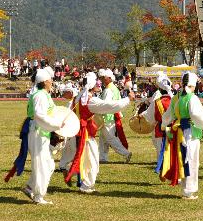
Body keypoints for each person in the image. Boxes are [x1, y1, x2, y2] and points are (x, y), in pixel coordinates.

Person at [64, 72, 134, 194]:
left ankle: (75, 174)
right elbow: (109, 106)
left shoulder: (78, 97)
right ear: (92, 86)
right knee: (93, 161)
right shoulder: (91, 101)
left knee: (86, 158)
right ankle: (85, 185)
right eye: (97, 83)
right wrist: (128, 99)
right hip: (86, 133)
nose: (99, 85)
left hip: (78, 132)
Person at [158, 72, 203, 200]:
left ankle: (185, 188)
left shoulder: (176, 97)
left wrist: (164, 124)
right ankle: (189, 190)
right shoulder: (192, 98)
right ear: (192, 84)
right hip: (190, 132)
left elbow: (168, 115)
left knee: (183, 158)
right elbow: (196, 115)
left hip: (178, 131)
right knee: (191, 160)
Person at [23, 67, 66, 205]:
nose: (52, 82)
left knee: (48, 164)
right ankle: (38, 195)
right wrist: (56, 125)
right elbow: (39, 115)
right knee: (43, 164)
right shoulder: (40, 96)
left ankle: (30, 187)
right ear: (44, 81)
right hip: (38, 132)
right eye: (50, 80)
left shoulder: (44, 94)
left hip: (42, 132)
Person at [97, 69, 132, 163]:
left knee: (110, 138)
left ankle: (126, 153)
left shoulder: (108, 90)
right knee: (103, 139)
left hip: (107, 117)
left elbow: (105, 105)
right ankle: (103, 158)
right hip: (111, 117)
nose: (102, 80)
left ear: (109, 78)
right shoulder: (114, 88)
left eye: (103, 78)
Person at [141, 73, 173, 167]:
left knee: (160, 147)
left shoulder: (157, 102)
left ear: (160, 89)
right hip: (173, 128)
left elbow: (149, 116)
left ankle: (163, 164)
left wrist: (140, 115)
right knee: (172, 147)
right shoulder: (175, 100)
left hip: (160, 129)